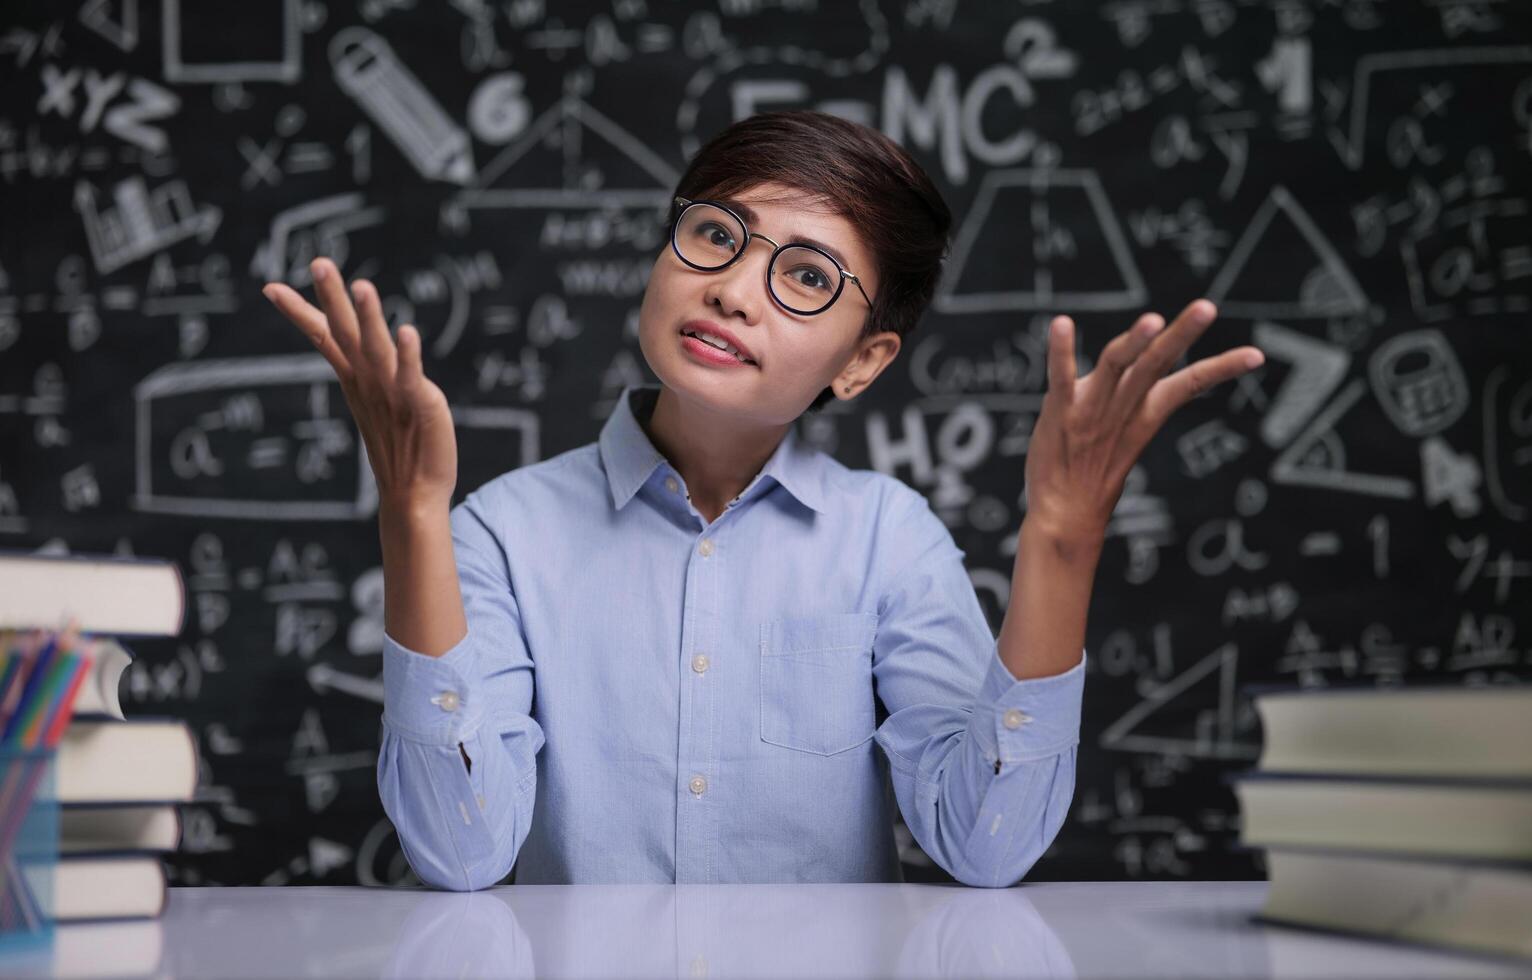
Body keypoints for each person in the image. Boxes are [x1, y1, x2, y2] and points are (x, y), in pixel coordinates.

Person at [261, 109, 1264, 890]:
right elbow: (460, 849)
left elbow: (984, 843)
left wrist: (1061, 536)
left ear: (863, 362)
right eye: (714, 233)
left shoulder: (886, 538)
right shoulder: (499, 530)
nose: (734, 289)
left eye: (806, 277)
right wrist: (411, 514)